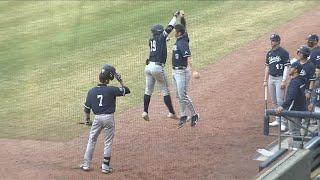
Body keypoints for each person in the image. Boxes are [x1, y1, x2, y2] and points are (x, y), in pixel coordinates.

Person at [80, 64, 130, 174]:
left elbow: (87, 108)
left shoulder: (91, 91)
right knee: (108, 142)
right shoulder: (112, 90)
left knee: (92, 140)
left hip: (97, 119)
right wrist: (120, 81)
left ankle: (86, 164)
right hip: (109, 118)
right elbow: (126, 90)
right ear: (108, 80)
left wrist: (87, 120)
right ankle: (105, 166)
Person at [142, 11, 180, 121]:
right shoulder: (161, 37)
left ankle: (145, 111)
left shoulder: (151, 40)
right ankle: (172, 112)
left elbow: (161, 42)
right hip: (157, 68)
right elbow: (170, 27)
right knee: (165, 90)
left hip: (148, 67)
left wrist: (166, 39)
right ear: (159, 31)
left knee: (148, 90)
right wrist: (175, 16)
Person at [172, 23, 199, 128]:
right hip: (175, 72)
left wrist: (194, 71)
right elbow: (184, 27)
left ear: (179, 32)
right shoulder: (182, 37)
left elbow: (189, 58)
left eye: (175, 30)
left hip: (182, 72)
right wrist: (182, 17)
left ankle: (195, 115)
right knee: (179, 95)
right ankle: (183, 115)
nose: (173, 32)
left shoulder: (183, 43)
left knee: (182, 95)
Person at [276, 61, 306, 148]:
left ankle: (298, 150)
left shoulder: (294, 82)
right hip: (301, 108)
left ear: (295, 70)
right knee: (296, 130)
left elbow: (291, 98)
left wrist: (282, 107)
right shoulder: (301, 79)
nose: (289, 69)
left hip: (295, 109)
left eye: (291, 67)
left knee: (294, 131)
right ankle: (298, 147)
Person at [263, 34, 290, 131]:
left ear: (278, 41)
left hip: (279, 79)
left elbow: (287, 67)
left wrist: (284, 80)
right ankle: (278, 120)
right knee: (274, 101)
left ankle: (283, 122)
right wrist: (265, 80)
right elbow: (267, 67)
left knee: (280, 101)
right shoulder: (269, 53)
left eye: (273, 40)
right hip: (271, 78)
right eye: (271, 40)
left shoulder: (284, 52)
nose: (271, 42)